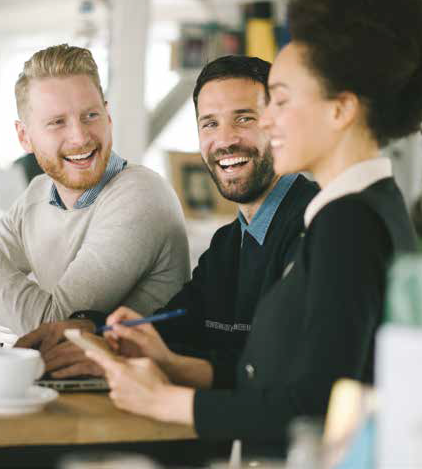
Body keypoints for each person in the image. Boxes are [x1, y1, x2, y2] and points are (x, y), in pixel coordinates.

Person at [81, 0, 422, 458]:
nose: (268, 120)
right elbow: (282, 375)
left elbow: (314, 406)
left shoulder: (348, 223)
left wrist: (164, 401)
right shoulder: (363, 207)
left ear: (340, 110)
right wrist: (171, 364)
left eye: (282, 100)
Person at [17, 55, 318, 380]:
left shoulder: (317, 226)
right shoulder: (230, 242)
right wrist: (91, 330)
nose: (225, 140)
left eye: (244, 119)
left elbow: (284, 370)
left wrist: (147, 362)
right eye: (210, 124)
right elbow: (178, 323)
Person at [0, 44, 190, 338]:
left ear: (108, 117)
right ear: (24, 136)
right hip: (64, 368)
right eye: (57, 122)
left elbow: (54, 329)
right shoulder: (38, 193)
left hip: (137, 369)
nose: (80, 137)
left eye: (90, 116)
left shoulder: (141, 196)